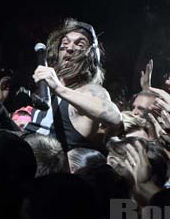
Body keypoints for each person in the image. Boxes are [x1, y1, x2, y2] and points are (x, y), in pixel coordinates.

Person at [28, 18, 122, 150]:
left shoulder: (89, 91)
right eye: (65, 43)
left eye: (79, 45)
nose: (70, 48)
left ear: (90, 56)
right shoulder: (45, 91)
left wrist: (58, 88)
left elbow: (114, 117)